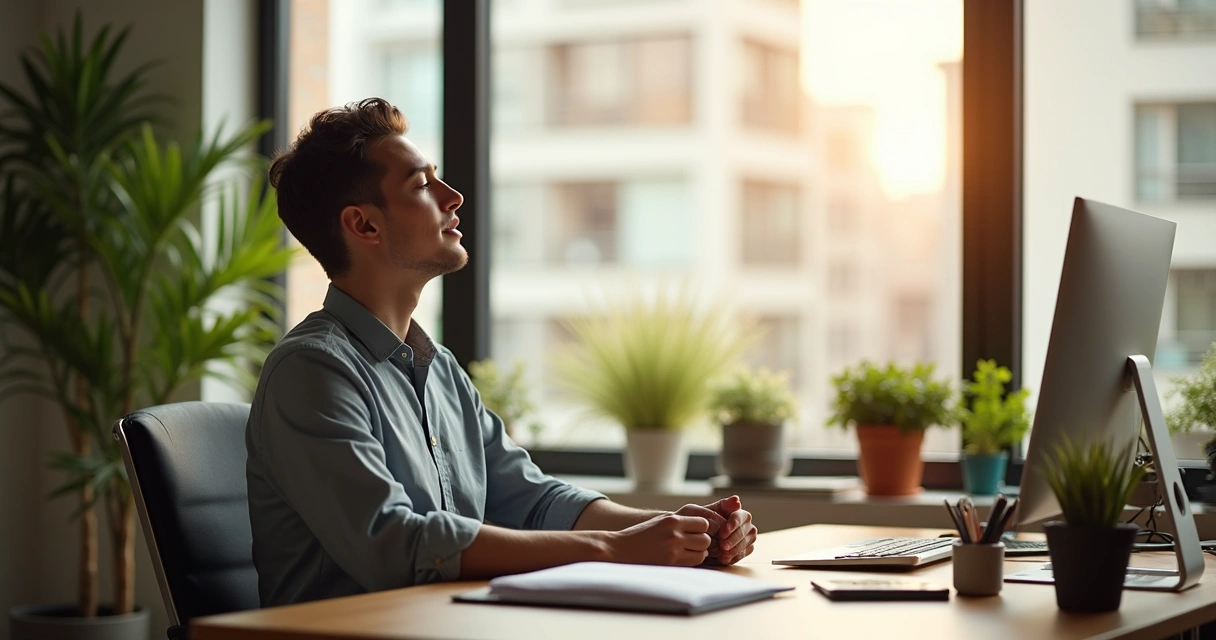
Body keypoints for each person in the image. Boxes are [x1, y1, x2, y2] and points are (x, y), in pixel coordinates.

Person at [245, 97, 758, 607]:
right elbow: (393, 543)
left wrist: (679, 528)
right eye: (422, 185)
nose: (453, 197)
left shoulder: (438, 370)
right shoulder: (312, 371)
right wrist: (614, 548)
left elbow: (535, 500)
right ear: (364, 225)